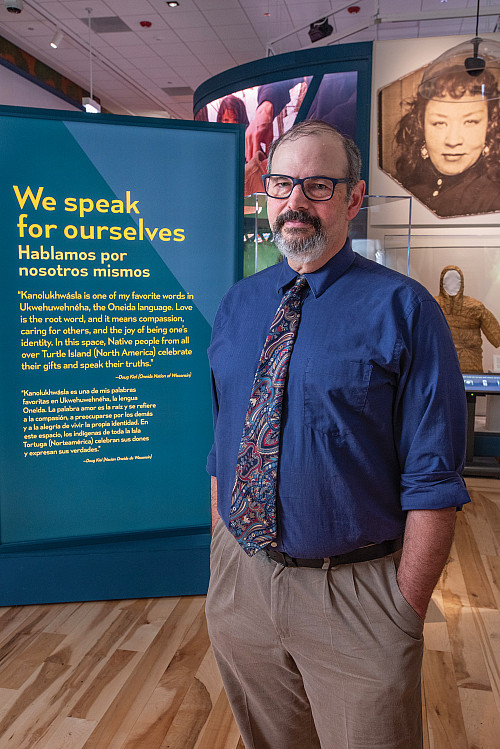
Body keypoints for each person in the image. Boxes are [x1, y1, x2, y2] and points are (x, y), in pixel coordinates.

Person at [206, 119, 470, 749]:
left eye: (318, 185)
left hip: (357, 598)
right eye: (281, 184)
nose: (296, 202)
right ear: (265, 195)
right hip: (243, 585)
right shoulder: (239, 305)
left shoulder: (404, 310)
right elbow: (224, 444)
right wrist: (223, 560)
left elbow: (434, 480)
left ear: (353, 200)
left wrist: (401, 611)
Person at [394, 67, 500, 217]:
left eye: (470, 121)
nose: (453, 140)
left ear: (489, 127)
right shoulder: (406, 190)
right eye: (439, 123)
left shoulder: (493, 200)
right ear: (421, 127)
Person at [435, 264, 500, 373]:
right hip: (442, 364)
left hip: (471, 366)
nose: (452, 283)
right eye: (448, 279)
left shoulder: (475, 307)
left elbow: (496, 336)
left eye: (456, 279)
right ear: (442, 282)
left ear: (462, 282)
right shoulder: (434, 305)